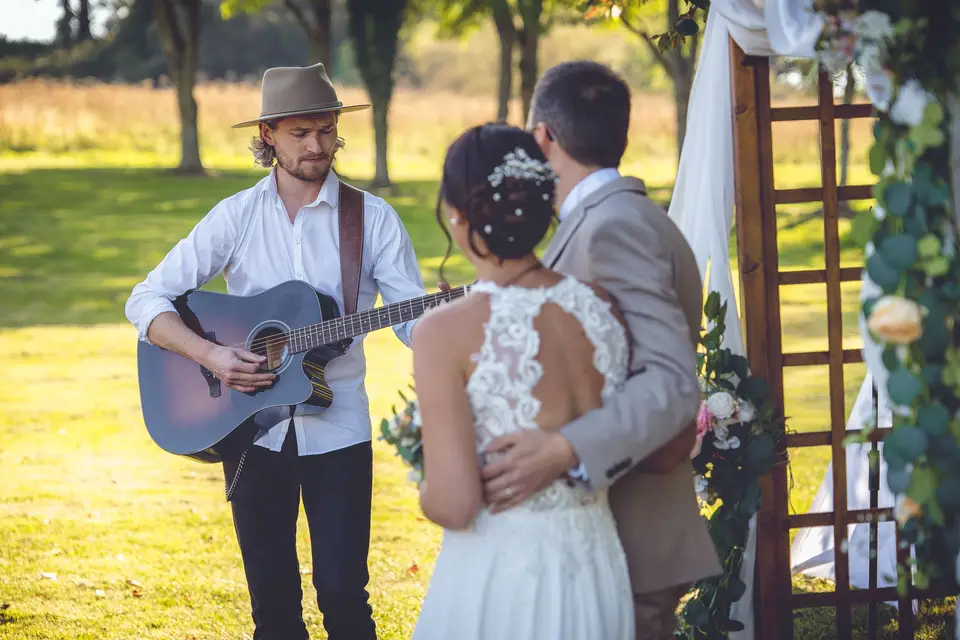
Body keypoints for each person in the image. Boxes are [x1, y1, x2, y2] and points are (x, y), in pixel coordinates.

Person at [124, 63, 426, 640]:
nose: (317, 146)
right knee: (273, 608)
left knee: (344, 596)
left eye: (326, 130)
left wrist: (445, 320)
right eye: (300, 133)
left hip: (339, 429)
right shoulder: (237, 217)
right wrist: (211, 357)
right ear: (267, 135)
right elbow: (147, 299)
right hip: (250, 432)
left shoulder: (372, 220)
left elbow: (412, 322)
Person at [478, 60, 722, 639]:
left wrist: (565, 449)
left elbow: (668, 381)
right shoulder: (617, 218)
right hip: (606, 533)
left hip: (631, 535)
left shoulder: (614, 228)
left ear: (543, 137)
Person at [410, 122, 635, 639]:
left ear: (457, 216)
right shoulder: (600, 308)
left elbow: (455, 503)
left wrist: (422, 484)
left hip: (503, 572)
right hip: (597, 561)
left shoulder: (443, 331)